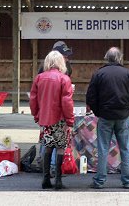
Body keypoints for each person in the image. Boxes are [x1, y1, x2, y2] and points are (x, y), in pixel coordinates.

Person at [86, 47, 129, 189]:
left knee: (103, 149)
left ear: (106, 58)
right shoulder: (128, 73)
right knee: (125, 149)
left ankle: (100, 180)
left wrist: (98, 112)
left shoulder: (99, 73)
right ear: (119, 58)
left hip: (105, 116)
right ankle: (127, 181)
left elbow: (90, 97)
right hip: (123, 116)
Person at [30, 50, 74, 190]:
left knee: (47, 146)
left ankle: (45, 178)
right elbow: (67, 102)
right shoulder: (64, 79)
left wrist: (36, 115)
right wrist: (70, 120)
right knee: (60, 148)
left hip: (45, 118)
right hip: (60, 119)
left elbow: (33, 99)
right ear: (61, 62)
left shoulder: (39, 78)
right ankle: (59, 180)